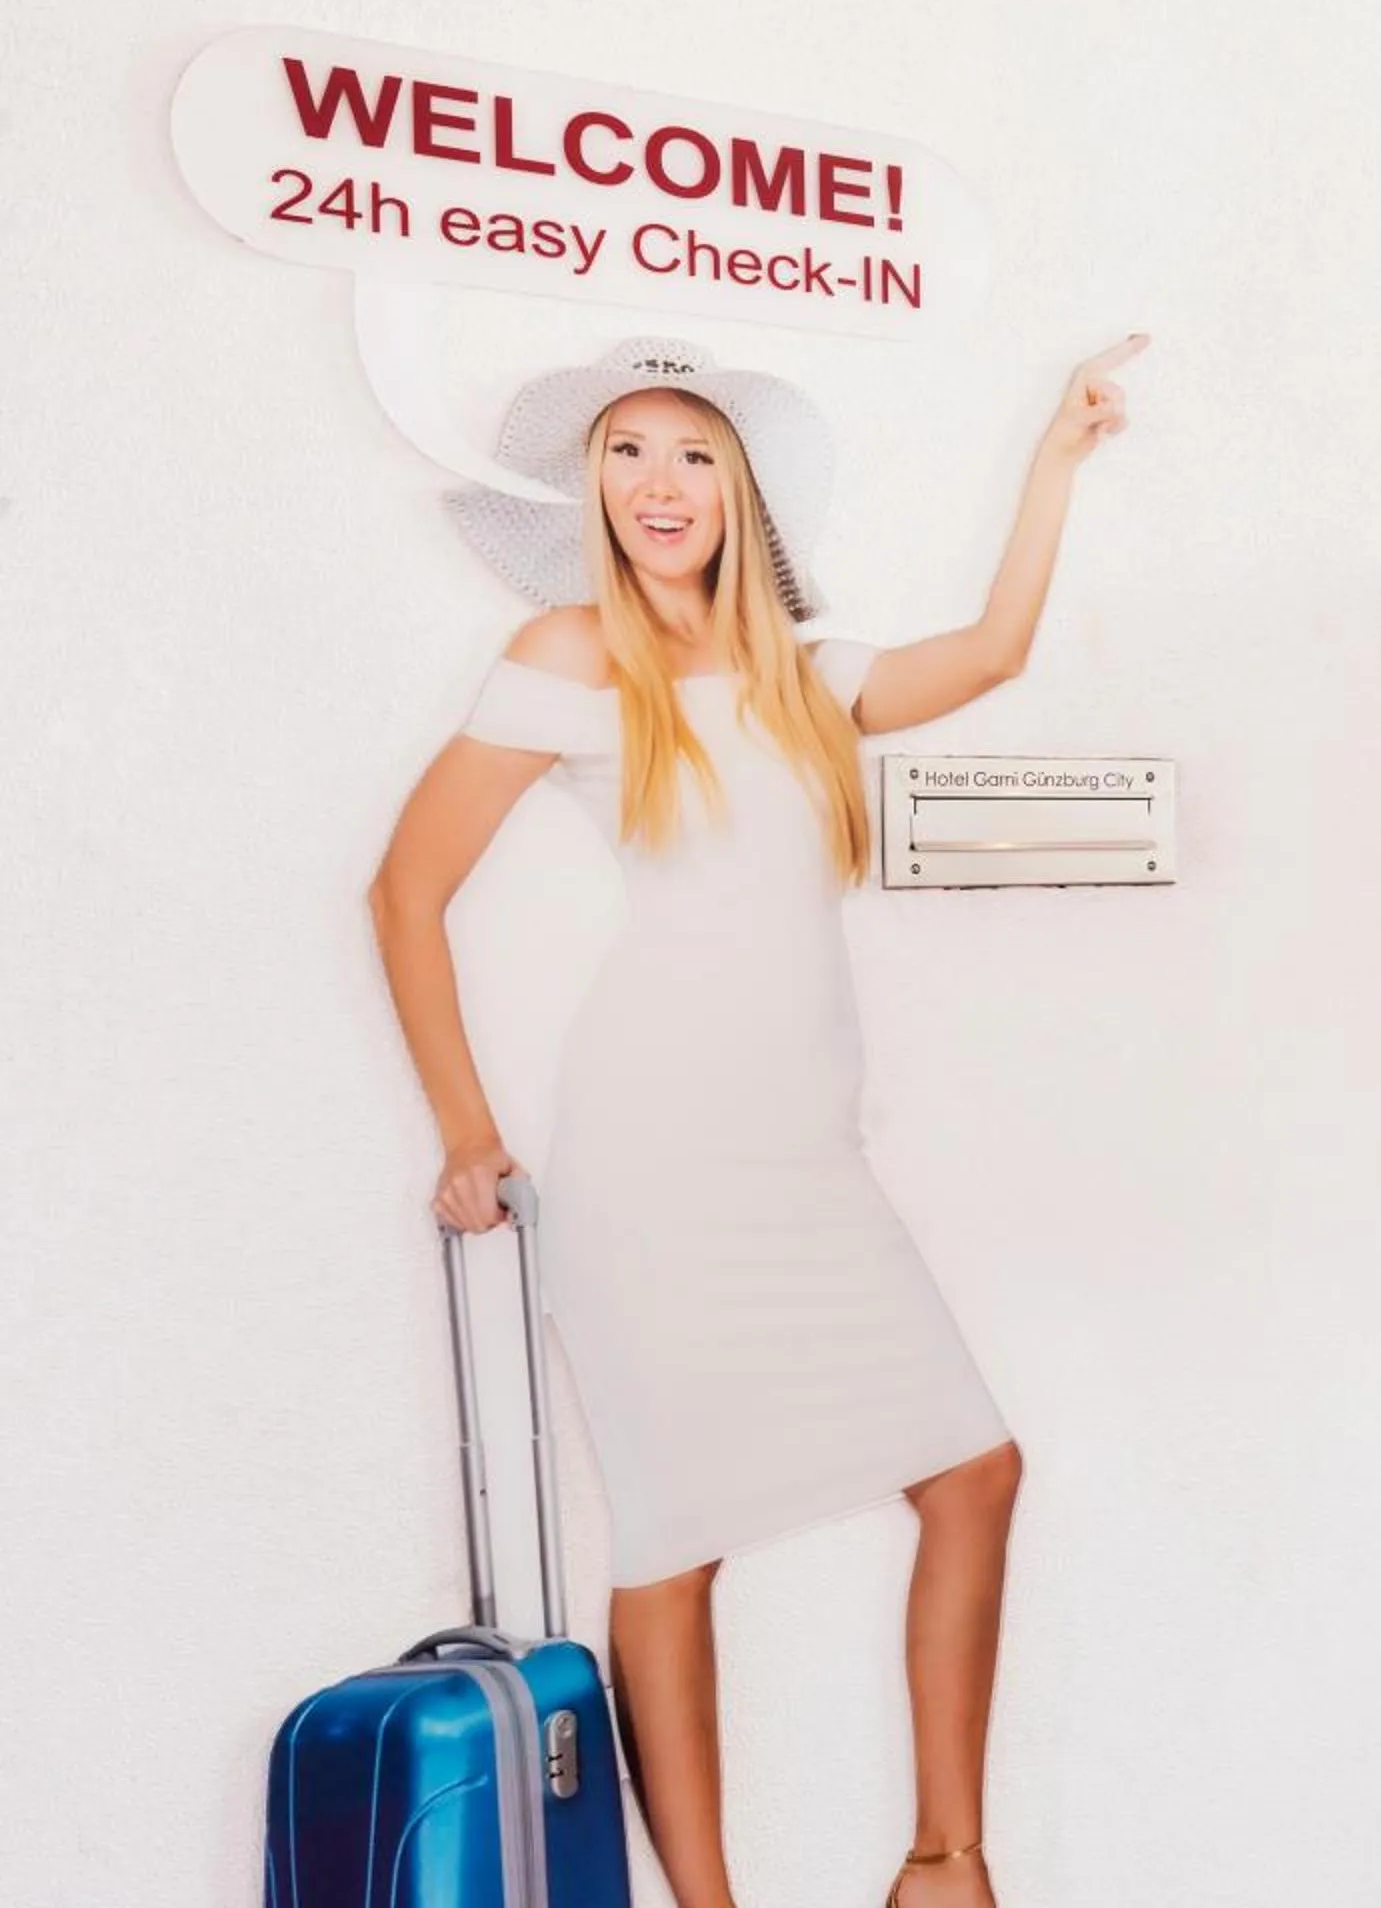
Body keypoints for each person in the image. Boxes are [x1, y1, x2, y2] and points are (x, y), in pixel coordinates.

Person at [367, 330, 1142, 1908]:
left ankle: (945, 1862)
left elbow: (990, 654)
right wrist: (466, 1129)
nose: (660, 483)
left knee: (973, 1474)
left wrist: (1054, 459)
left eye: (694, 453)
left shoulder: (809, 674)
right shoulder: (570, 653)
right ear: (592, 487)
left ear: (743, 490)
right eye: (628, 454)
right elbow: (404, 889)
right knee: (675, 1537)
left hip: (805, 1164)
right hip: (652, 1157)